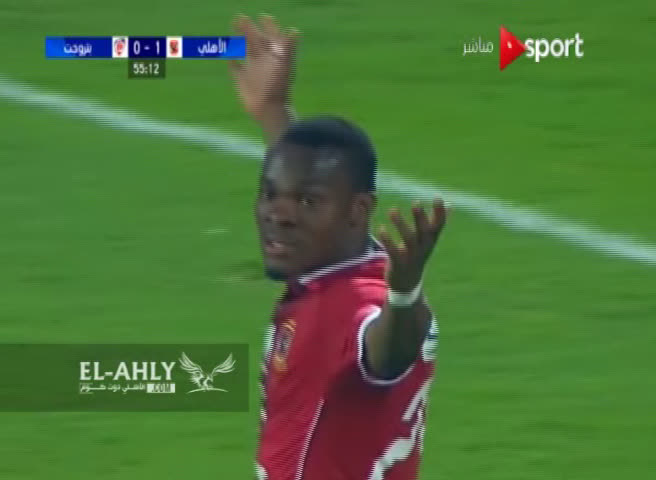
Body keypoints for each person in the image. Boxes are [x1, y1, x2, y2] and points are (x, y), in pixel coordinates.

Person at [228, 14, 448, 480]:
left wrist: (404, 295)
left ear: (357, 210)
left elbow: (388, 353)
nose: (278, 214)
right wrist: (274, 111)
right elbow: (308, 183)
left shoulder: (360, 302)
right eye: (269, 194)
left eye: (307, 202)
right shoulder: (337, 265)